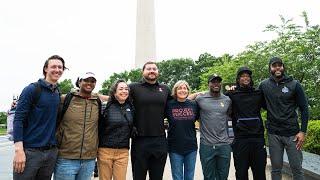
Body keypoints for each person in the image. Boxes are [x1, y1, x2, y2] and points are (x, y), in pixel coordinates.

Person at [13, 55, 66, 180]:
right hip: (30, 152)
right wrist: (19, 151)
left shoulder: (57, 92)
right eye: (53, 66)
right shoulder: (32, 89)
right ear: (45, 69)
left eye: (60, 67)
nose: (57, 70)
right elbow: (18, 120)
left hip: (51, 153)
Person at [259, 57, 309, 180]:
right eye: (274, 65)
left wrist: (302, 131)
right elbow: (256, 101)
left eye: (279, 65)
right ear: (269, 68)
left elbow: (304, 109)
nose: (277, 68)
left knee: (297, 169)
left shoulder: (294, 84)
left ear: (283, 67)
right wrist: (233, 90)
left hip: (293, 134)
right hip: (273, 134)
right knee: (276, 169)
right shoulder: (264, 85)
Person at [54, 72, 103, 180]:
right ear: (79, 82)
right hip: (66, 158)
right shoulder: (65, 99)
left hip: (89, 160)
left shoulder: (97, 102)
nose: (89, 83)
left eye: (92, 81)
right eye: (86, 80)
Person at [129, 61, 172, 180]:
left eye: (154, 68)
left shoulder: (165, 89)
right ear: (143, 72)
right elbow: (119, 99)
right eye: (148, 69)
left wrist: (198, 95)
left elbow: (178, 103)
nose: (152, 71)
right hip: (140, 140)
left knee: (157, 177)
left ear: (158, 72)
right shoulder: (133, 88)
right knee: (138, 177)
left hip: (160, 140)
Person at [226, 67, 267, 180]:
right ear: (238, 79)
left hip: (258, 139)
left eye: (248, 76)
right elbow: (220, 102)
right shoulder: (231, 94)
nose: (246, 78)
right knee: (241, 173)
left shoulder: (258, 93)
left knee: (259, 173)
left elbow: (271, 106)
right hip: (240, 140)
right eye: (243, 76)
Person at [195, 74, 232, 180]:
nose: (216, 84)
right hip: (207, 145)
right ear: (209, 84)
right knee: (208, 177)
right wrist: (197, 93)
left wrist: (231, 138)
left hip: (224, 145)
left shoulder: (227, 100)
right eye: (213, 82)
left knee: (223, 176)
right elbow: (186, 100)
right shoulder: (200, 99)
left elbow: (229, 120)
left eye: (218, 82)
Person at [98, 79, 134, 180]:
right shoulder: (105, 106)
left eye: (126, 89)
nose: (124, 91)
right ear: (114, 92)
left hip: (123, 151)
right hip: (105, 150)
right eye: (121, 89)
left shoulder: (131, 107)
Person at [166, 80, 199, 180]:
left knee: (189, 176)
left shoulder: (193, 105)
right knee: (177, 177)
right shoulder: (169, 105)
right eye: (179, 88)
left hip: (191, 147)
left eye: (185, 88)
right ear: (175, 91)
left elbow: (198, 119)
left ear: (188, 91)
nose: (182, 90)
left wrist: (199, 93)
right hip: (174, 147)